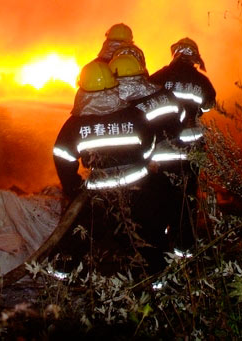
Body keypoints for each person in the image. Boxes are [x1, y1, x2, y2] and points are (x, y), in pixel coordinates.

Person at [51, 61, 162, 276]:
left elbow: (62, 155)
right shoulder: (135, 115)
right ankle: (155, 283)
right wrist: (139, 164)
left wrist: (73, 186)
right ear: (114, 85)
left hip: (98, 195)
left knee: (80, 236)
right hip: (137, 189)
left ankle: (63, 278)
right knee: (147, 237)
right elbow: (150, 144)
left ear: (83, 90)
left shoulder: (75, 124)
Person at [149, 37, 216, 255]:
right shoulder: (202, 82)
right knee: (186, 201)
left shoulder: (159, 77)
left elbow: (145, 105)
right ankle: (184, 250)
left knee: (159, 199)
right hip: (190, 153)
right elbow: (208, 106)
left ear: (175, 54)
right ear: (195, 58)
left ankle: (159, 251)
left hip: (161, 152)